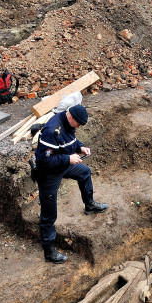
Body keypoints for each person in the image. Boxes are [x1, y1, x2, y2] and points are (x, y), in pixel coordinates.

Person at [33, 97, 108, 263]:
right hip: (48, 173)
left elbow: (71, 141)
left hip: (63, 164)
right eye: (78, 124)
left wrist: (80, 147)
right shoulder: (52, 130)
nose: (79, 127)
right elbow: (43, 161)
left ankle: (89, 205)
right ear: (71, 117)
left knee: (85, 172)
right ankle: (49, 252)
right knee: (49, 214)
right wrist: (68, 159)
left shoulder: (69, 123)